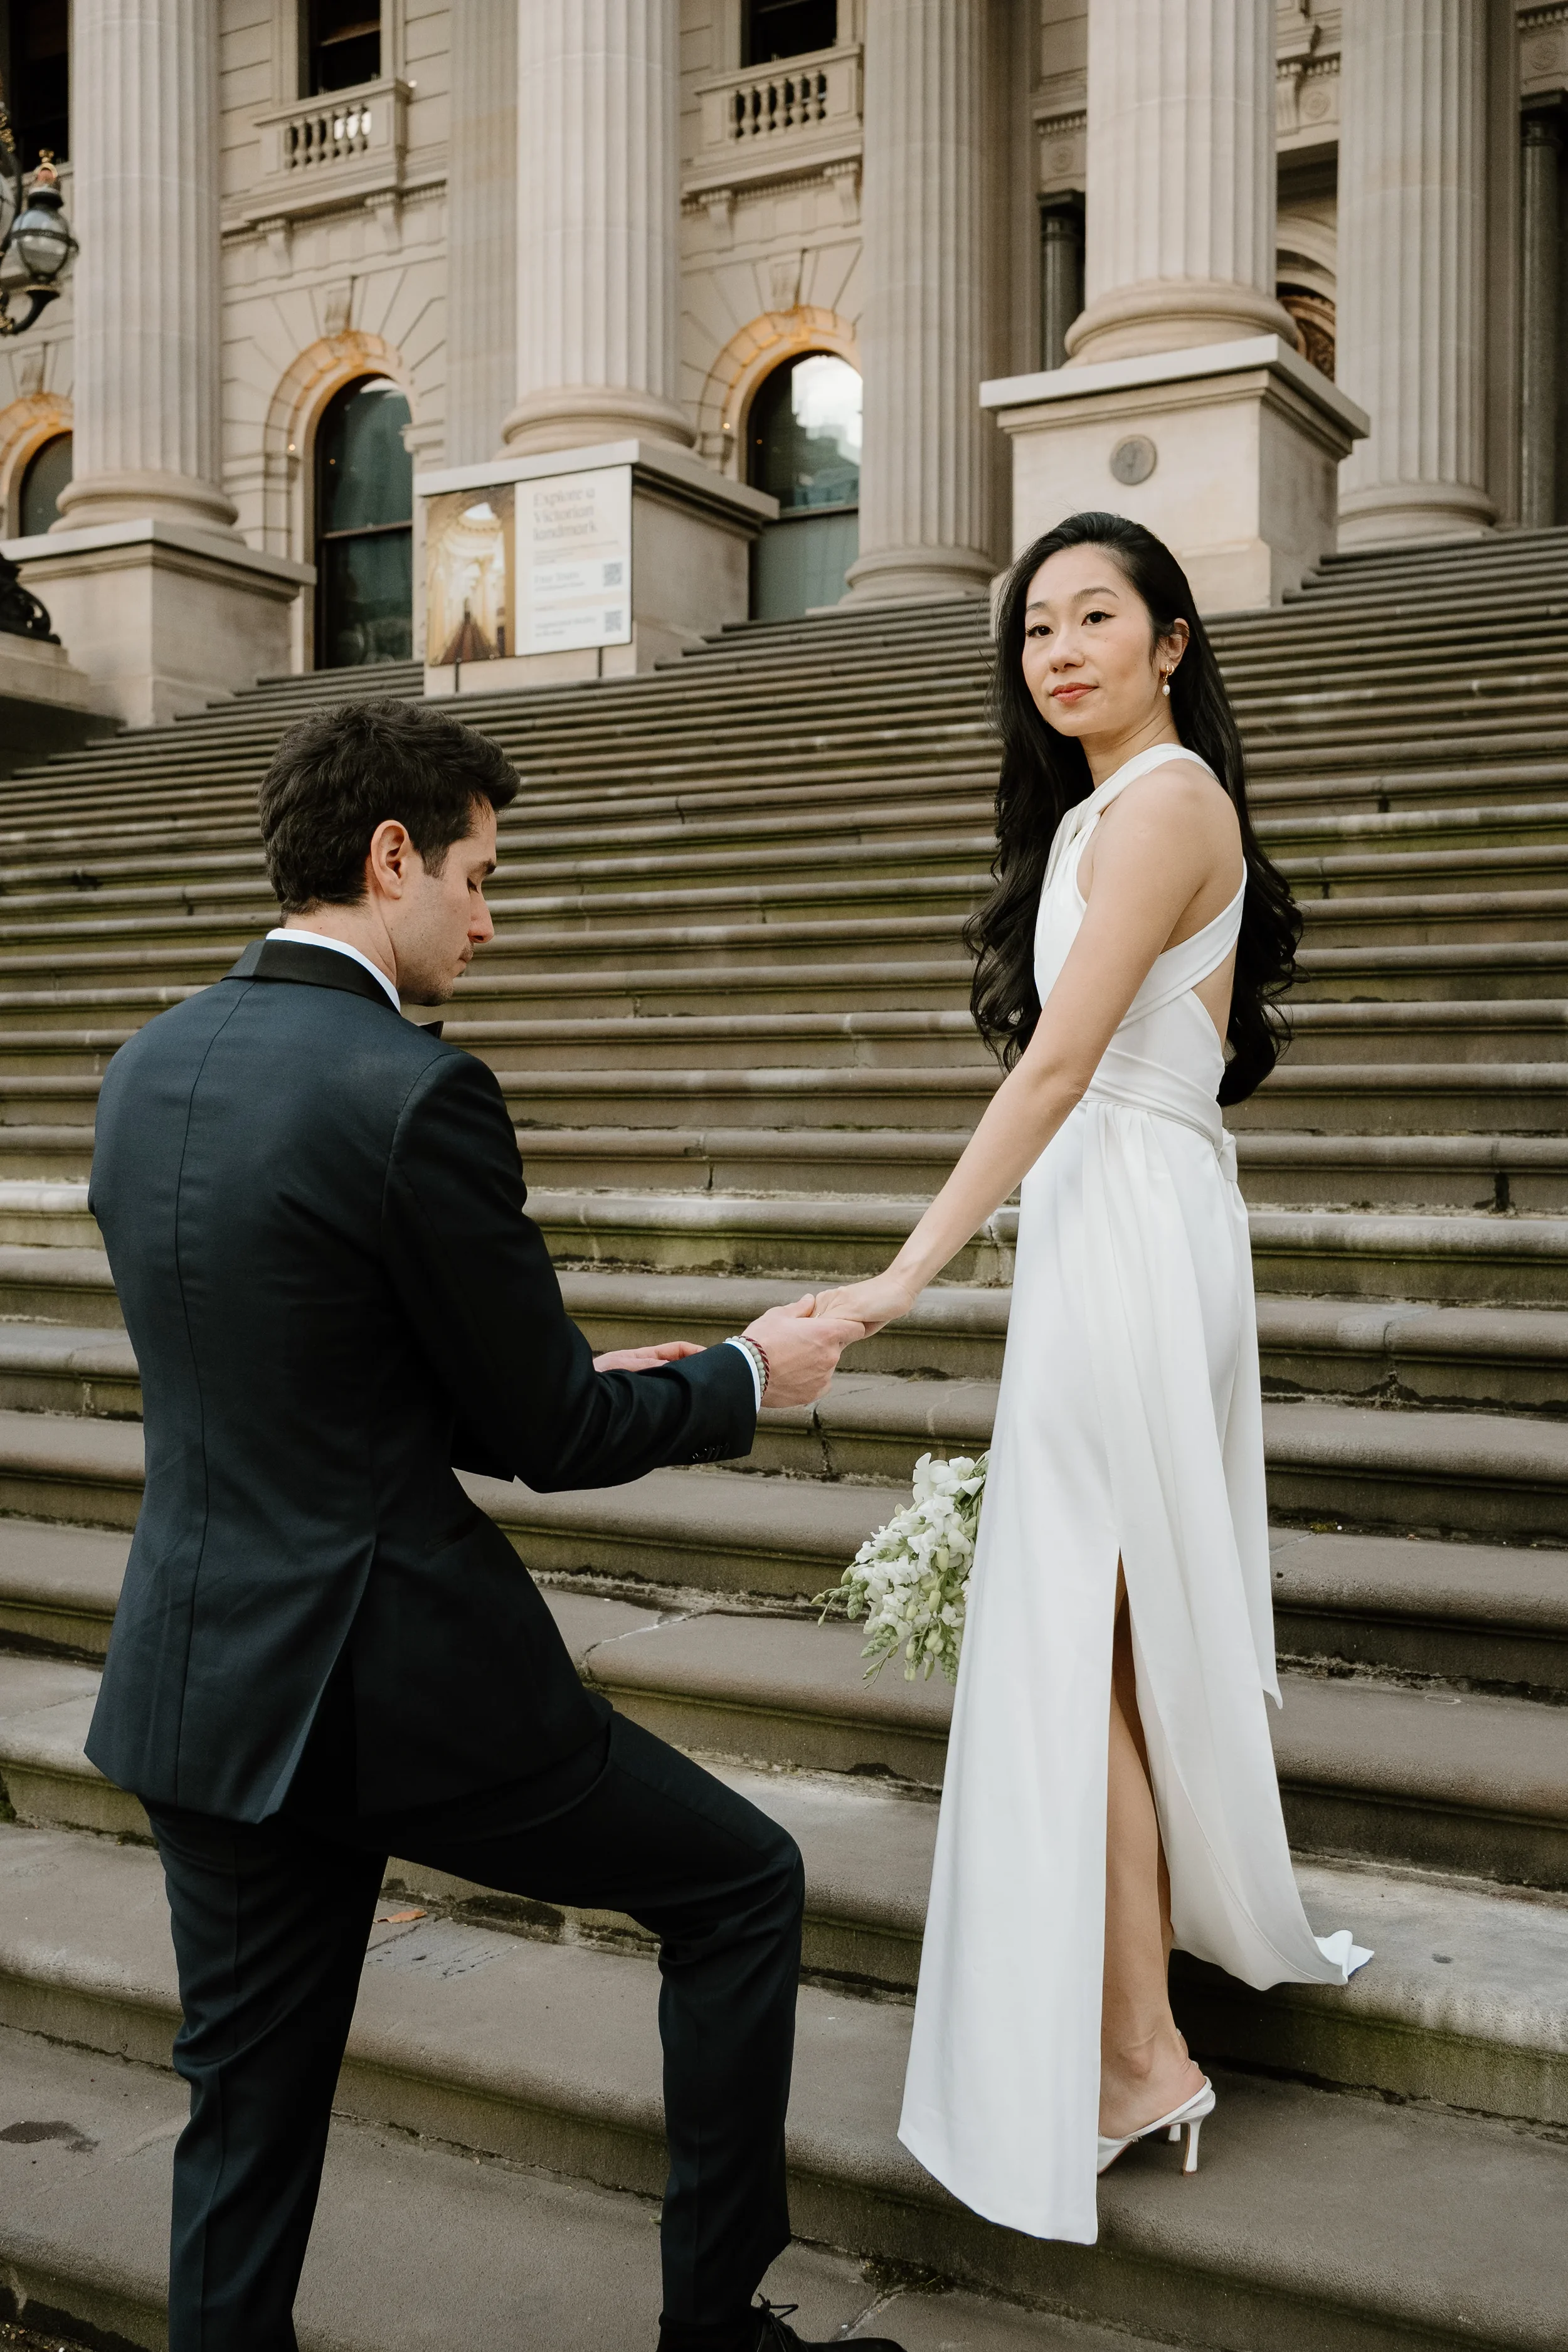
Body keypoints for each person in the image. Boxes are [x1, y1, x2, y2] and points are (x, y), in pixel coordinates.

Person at [84, 697, 898, 2352]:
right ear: (393, 857)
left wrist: (569, 1372)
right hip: (397, 1680)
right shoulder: (414, 1089)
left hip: (200, 1675)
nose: (489, 917)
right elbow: (552, 1440)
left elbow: (315, 1366)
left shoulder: (147, 1065)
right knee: (741, 1883)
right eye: (480, 875)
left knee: (245, 2114)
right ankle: (717, 2334)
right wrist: (752, 1372)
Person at [811, 513, 1370, 2245]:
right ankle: (1137, 2046)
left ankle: (1140, 2051)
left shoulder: (1172, 803)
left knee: (1087, 1627)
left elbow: (1060, 1066)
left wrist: (903, 1275)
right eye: (1035, 625)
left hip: (1130, 1227)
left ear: (1172, 641)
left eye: (1094, 616)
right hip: (1102, 1223)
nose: (1057, 649)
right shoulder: (1088, 815)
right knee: (1095, 1639)